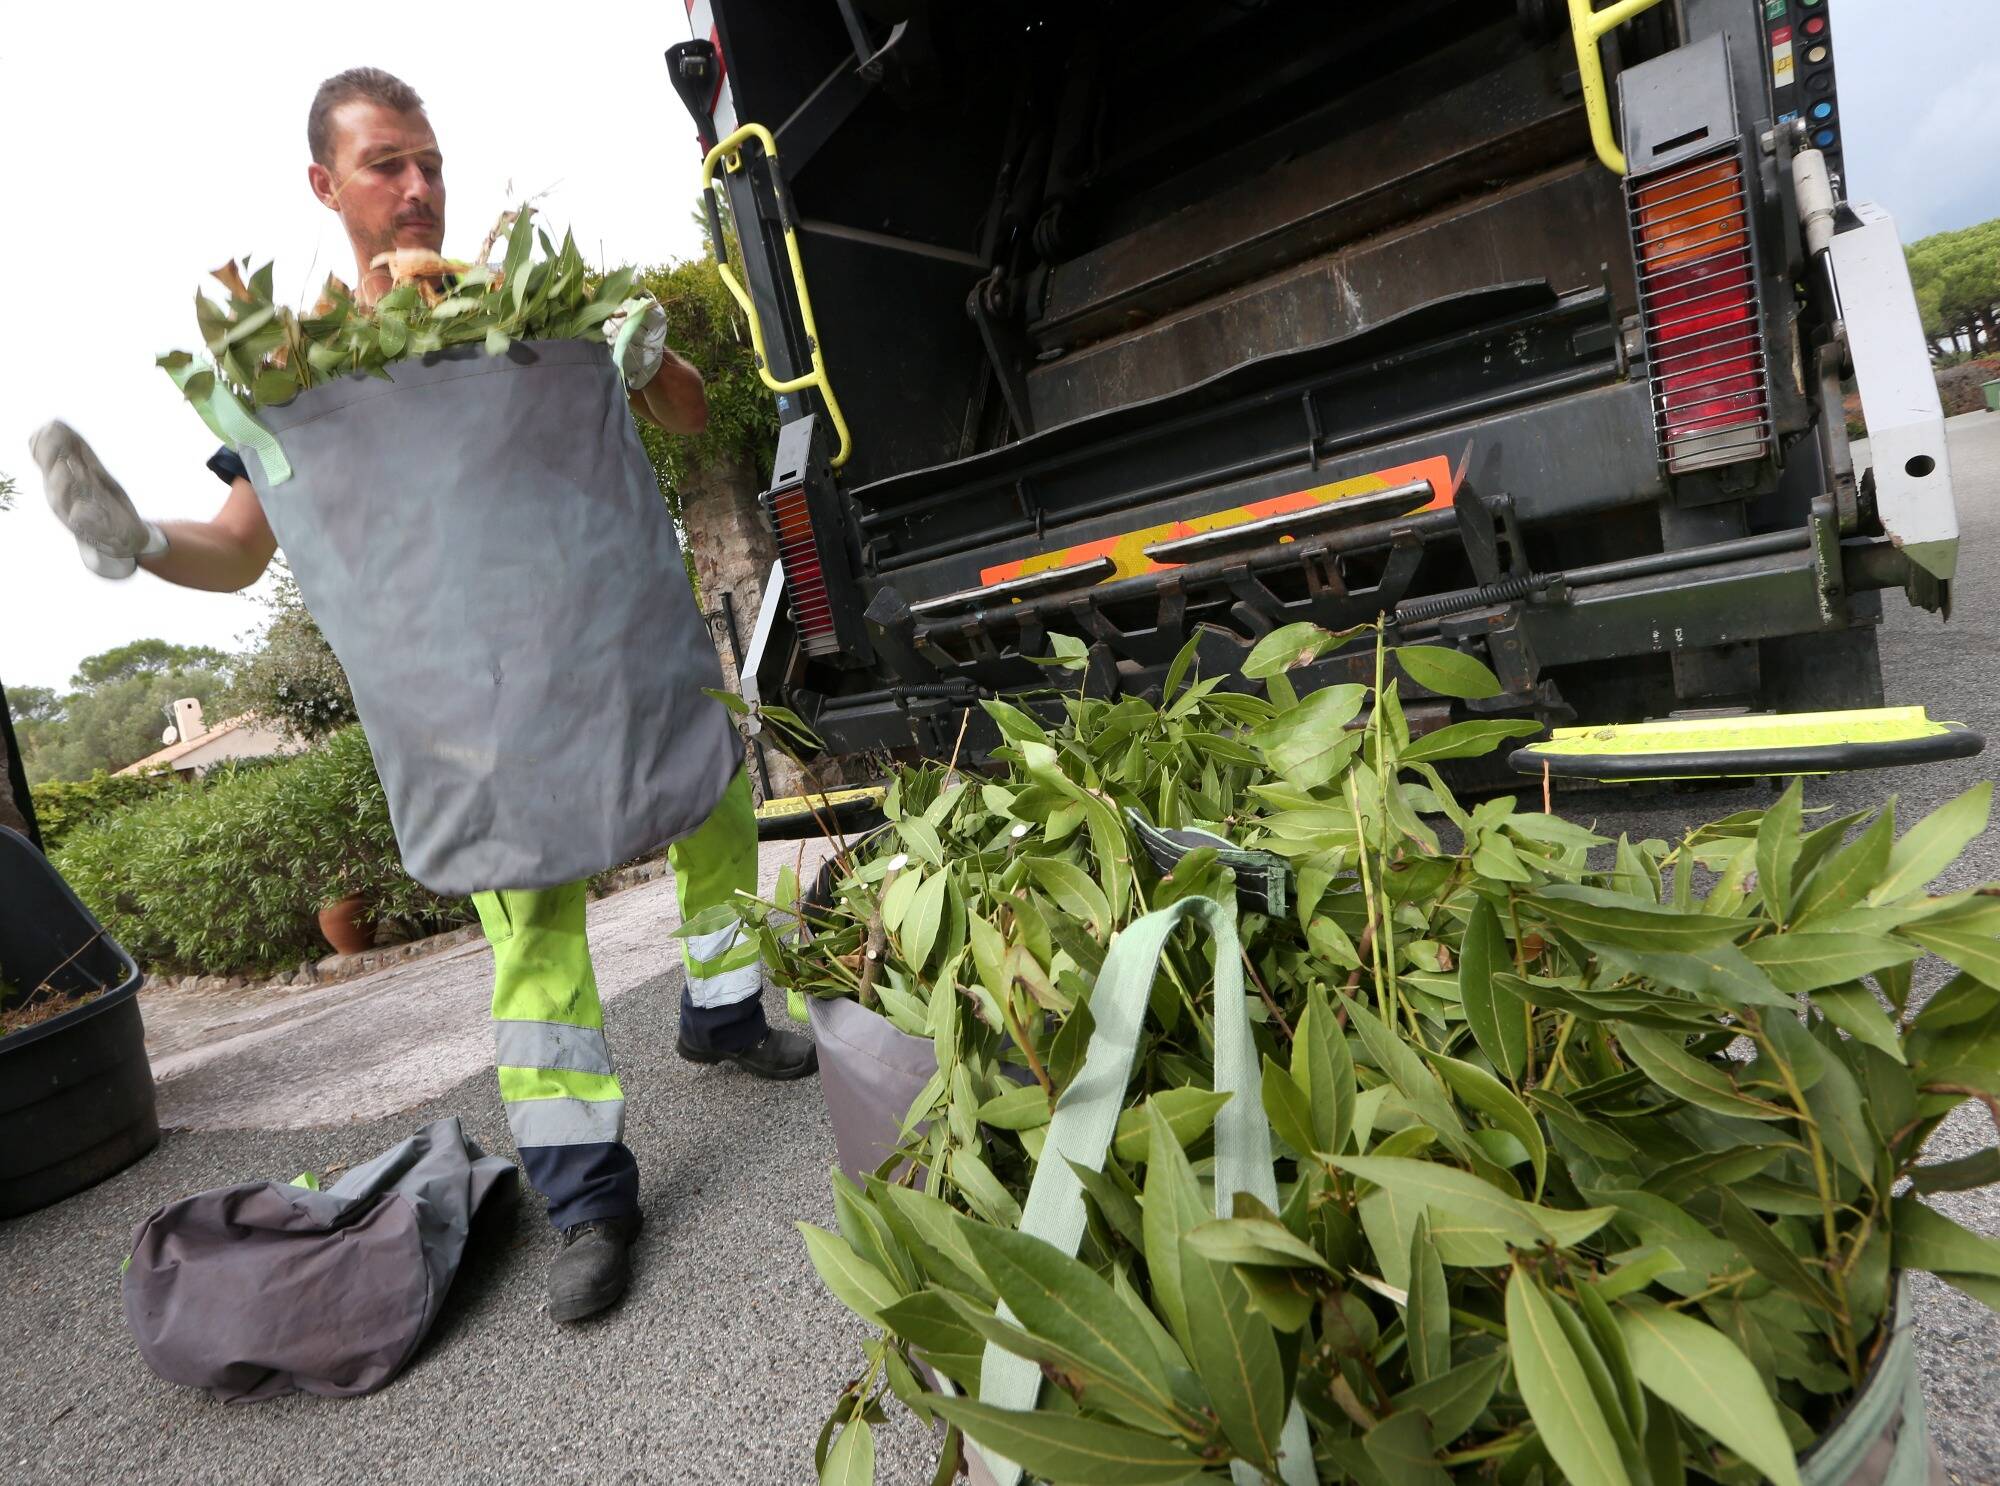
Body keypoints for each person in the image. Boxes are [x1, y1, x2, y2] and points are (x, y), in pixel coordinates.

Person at [27, 67, 815, 1324]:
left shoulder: (525, 303)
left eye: (430, 161)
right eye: (387, 163)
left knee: (712, 801)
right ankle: (588, 1198)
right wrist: (139, 543)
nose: (417, 188)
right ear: (323, 185)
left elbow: (681, 409)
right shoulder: (304, 374)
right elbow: (242, 544)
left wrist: (657, 353)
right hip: (476, 704)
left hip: (614, 648)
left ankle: (722, 1010)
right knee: (538, 929)